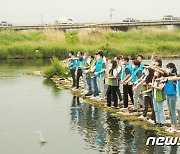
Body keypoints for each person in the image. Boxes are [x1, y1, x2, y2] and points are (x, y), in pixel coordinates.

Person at [164, 63, 178, 133]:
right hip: (168, 95)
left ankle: (175, 127)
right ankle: (172, 126)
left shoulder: (174, 75)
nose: (167, 69)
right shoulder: (168, 76)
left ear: (171, 68)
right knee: (170, 112)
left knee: (173, 112)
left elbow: (169, 75)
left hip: (172, 95)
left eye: (168, 68)